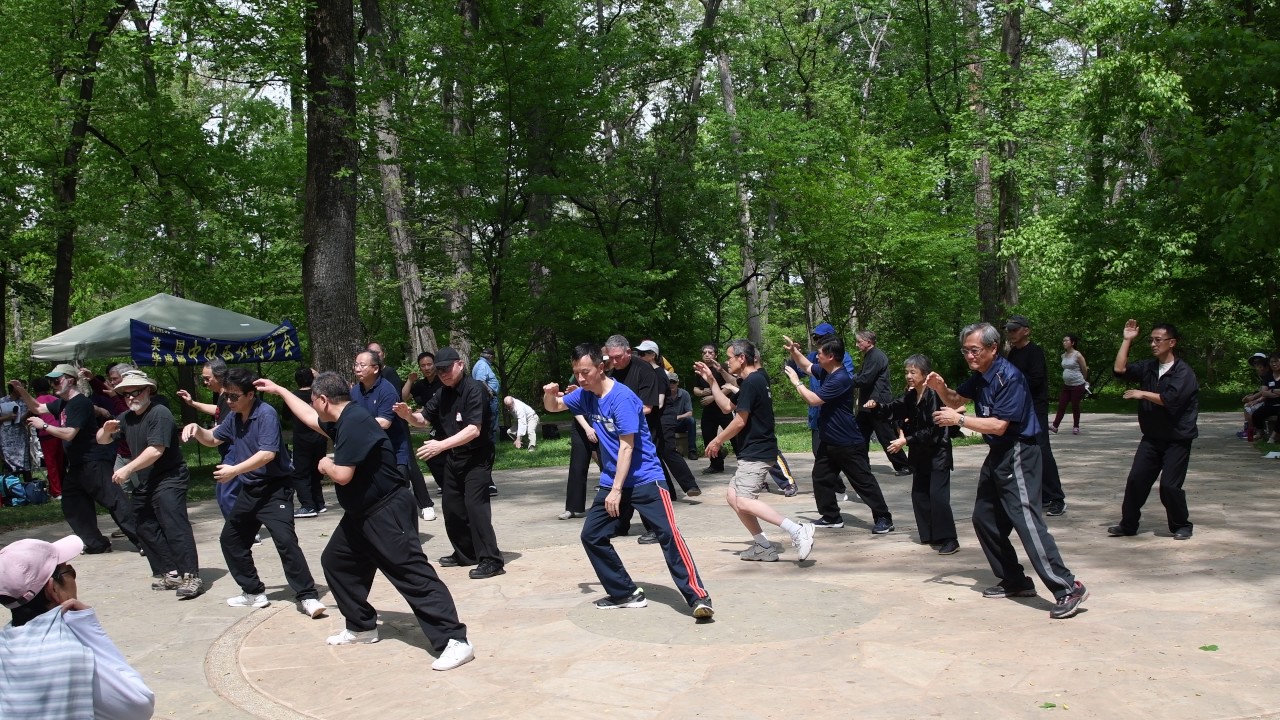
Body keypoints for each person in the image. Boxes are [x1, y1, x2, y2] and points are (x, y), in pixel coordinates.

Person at [256, 373, 474, 670]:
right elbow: (309, 418)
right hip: (362, 512)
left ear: (323, 399)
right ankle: (361, 626)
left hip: (387, 510)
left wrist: (325, 464)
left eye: (313, 400)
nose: (312, 405)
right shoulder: (343, 417)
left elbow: (342, 474)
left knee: (411, 573)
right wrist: (280, 389)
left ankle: (455, 641)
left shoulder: (354, 422)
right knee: (337, 562)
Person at [925, 322, 1088, 619]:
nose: (969, 356)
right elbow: (956, 401)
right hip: (998, 453)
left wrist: (959, 421)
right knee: (984, 517)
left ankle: (1067, 587)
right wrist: (940, 388)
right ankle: (1014, 579)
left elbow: (1000, 425)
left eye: (974, 350)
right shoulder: (981, 375)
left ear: (992, 348)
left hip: (1019, 452)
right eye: (966, 351)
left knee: (1026, 521)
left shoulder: (1009, 377)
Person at [544, 344, 714, 617]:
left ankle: (698, 597)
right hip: (614, 480)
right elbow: (555, 407)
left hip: (646, 478)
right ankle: (625, 592)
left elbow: (627, 447)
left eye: (585, 372)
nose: (581, 378)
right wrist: (550, 395)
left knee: (668, 535)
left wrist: (616, 491)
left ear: (601, 367)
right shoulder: (586, 395)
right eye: (576, 373)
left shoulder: (621, 398)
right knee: (592, 536)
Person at [182, 368, 327, 618]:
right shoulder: (235, 416)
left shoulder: (266, 414)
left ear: (250, 394)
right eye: (226, 396)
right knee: (232, 540)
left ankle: (308, 596)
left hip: (275, 490)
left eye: (233, 396)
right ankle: (253, 592)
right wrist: (197, 429)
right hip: (250, 491)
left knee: (285, 542)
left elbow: (267, 454)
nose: (228, 401)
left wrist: (233, 471)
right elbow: (213, 439)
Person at [0, 535, 156, 719]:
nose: (74, 578)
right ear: (52, 589)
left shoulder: (5, 645)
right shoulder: (66, 652)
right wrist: (90, 629)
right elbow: (139, 706)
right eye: (69, 572)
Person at [697, 340, 816, 562]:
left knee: (743, 500)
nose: (727, 361)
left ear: (742, 358)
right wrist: (712, 381)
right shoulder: (753, 381)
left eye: (730, 357)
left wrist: (717, 440)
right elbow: (726, 407)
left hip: (757, 451)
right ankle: (763, 546)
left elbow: (739, 421)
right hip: (755, 450)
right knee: (733, 497)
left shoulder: (753, 382)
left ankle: (797, 530)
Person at [9, 366, 140, 555]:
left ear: (70, 380)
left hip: (94, 461)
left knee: (115, 501)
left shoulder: (80, 403)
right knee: (72, 503)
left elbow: (70, 434)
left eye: (57, 380)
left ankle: (144, 540)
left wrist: (44, 425)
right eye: (51, 381)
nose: (53, 385)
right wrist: (21, 390)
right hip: (78, 465)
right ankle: (96, 543)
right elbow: (37, 407)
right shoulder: (62, 404)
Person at [96, 371, 204, 598]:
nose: (130, 398)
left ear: (147, 390)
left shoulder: (160, 413)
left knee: (173, 524)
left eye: (135, 392)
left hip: (170, 476)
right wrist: (105, 431)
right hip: (147, 479)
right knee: (143, 524)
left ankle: (191, 576)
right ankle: (171, 572)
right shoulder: (126, 417)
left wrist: (128, 468)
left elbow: (156, 450)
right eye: (125, 394)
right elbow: (102, 440)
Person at [403, 347, 504, 579]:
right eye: (439, 371)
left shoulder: (475, 389)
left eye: (447, 369)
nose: (443, 374)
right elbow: (423, 419)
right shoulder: (442, 392)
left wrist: (440, 445)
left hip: (477, 457)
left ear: (459, 364)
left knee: (475, 507)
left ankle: (491, 559)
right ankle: (466, 553)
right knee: (452, 507)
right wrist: (407, 415)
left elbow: (473, 430)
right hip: (454, 457)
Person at [782, 334, 894, 535]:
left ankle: (884, 517)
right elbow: (807, 366)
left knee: (863, 482)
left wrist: (796, 382)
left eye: (820, 354)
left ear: (831, 356)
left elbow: (814, 400)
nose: (816, 357)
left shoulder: (841, 378)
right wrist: (793, 351)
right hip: (830, 440)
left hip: (847, 442)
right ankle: (831, 517)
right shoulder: (827, 371)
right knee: (821, 477)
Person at [1108, 319, 1198, 540]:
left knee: (1169, 486)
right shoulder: (1149, 367)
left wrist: (1142, 393)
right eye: (1151, 340)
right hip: (1152, 437)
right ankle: (1128, 525)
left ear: (1172, 342)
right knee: (1136, 480)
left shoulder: (1183, 372)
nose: (1153, 344)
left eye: (1158, 340)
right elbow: (1120, 369)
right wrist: (1127, 340)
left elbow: (1170, 400)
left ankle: (1181, 525)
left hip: (1177, 438)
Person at [873, 355, 958, 554]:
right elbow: (893, 408)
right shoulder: (912, 395)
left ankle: (949, 538)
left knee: (938, 497)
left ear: (925, 374)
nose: (909, 376)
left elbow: (933, 429)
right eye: (907, 372)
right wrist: (876, 406)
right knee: (919, 495)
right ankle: (931, 535)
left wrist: (906, 440)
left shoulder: (934, 396)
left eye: (913, 372)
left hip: (938, 453)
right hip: (920, 455)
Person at [353, 350, 435, 521]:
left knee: (398, 499)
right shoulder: (354, 392)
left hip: (394, 454)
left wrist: (355, 423)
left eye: (362, 365)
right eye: (356, 365)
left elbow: (384, 422)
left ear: (375, 368)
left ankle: (409, 534)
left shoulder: (387, 390)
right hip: (370, 454)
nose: (357, 368)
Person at [1004, 315, 1067, 517]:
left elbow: (1036, 381)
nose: (1011, 333)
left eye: (1014, 329)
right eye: (1009, 330)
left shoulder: (1034, 352)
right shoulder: (1013, 353)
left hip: (1035, 408)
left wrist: (1014, 382)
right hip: (1018, 408)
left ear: (1026, 330)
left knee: (1042, 450)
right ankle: (1044, 496)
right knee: (1026, 452)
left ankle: (1057, 498)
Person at [635, 340, 700, 500]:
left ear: (652, 355)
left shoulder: (660, 374)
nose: (639, 356)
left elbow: (660, 401)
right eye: (639, 353)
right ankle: (668, 491)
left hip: (664, 417)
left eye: (643, 353)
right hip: (652, 417)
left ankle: (690, 485)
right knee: (655, 453)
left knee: (667, 450)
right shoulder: (643, 373)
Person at [177, 358, 238, 517]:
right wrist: (192, 403)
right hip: (228, 451)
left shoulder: (229, 395)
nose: (205, 382)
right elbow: (218, 411)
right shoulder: (222, 396)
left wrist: (199, 430)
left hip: (235, 450)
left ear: (219, 376)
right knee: (227, 491)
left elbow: (221, 429)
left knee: (226, 493)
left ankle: (242, 530)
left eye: (207, 378)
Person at [852, 330, 911, 475]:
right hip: (867, 405)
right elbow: (862, 376)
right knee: (859, 435)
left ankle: (903, 465)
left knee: (886, 436)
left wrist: (844, 381)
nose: (857, 344)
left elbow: (865, 379)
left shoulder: (876, 356)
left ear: (868, 342)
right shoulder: (869, 356)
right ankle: (862, 466)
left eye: (859, 341)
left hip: (877, 403)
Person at [286, 367, 328, 517]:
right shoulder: (319, 395)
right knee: (317, 470)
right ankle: (319, 503)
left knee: (300, 473)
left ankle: (307, 505)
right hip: (320, 436)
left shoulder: (292, 397)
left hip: (302, 439)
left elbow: (285, 416)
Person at [692, 344, 732, 475]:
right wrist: (703, 392)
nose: (707, 354)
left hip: (724, 408)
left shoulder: (721, 368)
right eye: (704, 352)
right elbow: (695, 389)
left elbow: (729, 386)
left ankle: (744, 461)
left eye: (710, 352)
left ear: (715, 355)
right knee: (708, 436)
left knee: (735, 436)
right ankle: (716, 465)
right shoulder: (700, 370)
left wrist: (713, 397)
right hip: (708, 411)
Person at [31, 377, 65, 498]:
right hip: (59, 433)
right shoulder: (56, 399)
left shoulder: (35, 402)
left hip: (46, 434)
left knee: (51, 464)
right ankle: (60, 487)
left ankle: (57, 491)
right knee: (60, 462)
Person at [1051, 334, 1090, 435]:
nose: (1064, 342)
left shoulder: (1077, 355)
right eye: (1063, 341)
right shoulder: (1063, 355)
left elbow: (1084, 369)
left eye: (1066, 341)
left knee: (1075, 406)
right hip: (1067, 385)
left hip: (1077, 384)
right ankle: (1055, 426)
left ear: (1072, 343)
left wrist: (1084, 380)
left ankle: (1076, 426)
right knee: (1062, 405)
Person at [1239, 353, 1273, 441]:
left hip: (1270, 400)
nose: (1256, 365)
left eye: (1258, 363)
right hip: (1266, 398)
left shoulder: (1270, 374)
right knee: (1247, 405)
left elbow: (1266, 392)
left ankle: (1253, 431)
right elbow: (1262, 390)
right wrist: (1252, 395)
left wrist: (1254, 399)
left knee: (1249, 408)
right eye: (1254, 363)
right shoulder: (1262, 375)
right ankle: (1249, 429)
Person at [664, 373, 698, 459]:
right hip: (668, 423)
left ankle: (692, 451)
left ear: (677, 383)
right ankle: (670, 451)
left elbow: (690, 413)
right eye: (670, 382)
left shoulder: (684, 394)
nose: (672, 384)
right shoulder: (663, 395)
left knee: (691, 420)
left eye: (674, 382)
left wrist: (678, 417)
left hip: (680, 423)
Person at [0, 385, 30, 480]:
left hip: (20, 435)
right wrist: (7, 417)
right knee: (9, 463)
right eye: (21, 387)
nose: (23, 389)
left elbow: (24, 420)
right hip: (6, 436)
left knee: (25, 462)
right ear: (14, 389)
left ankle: (29, 488)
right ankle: (12, 486)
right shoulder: (2, 401)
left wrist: (28, 413)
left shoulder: (24, 401)